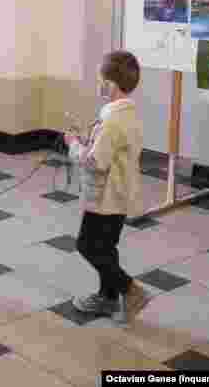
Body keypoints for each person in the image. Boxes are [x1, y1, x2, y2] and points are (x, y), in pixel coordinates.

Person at [66, 50, 152, 322]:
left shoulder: (113, 119)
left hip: (104, 197)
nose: (99, 83)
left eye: (101, 79)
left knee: (88, 246)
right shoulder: (128, 113)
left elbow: (96, 162)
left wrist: (74, 145)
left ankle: (131, 289)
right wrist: (89, 140)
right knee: (106, 247)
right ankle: (107, 297)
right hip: (120, 194)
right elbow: (109, 150)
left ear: (111, 84)